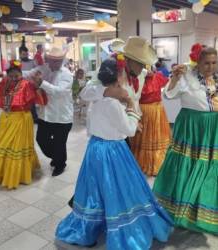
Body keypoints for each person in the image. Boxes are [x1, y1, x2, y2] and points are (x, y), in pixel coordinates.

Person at [55, 59, 173, 249]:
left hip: (95, 148)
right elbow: (129, 130)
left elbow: (89, 97)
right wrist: (133, 113)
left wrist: (123, 100)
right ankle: (118, 225)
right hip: (113, 150)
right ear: (119, 76)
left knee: (95, 188)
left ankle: (91, 225)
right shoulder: (111, 101)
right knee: (117, 188)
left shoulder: (97, 99)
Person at [153, 44, 218, 234]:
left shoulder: (216, 78)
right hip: (191, 126)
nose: (211, 67)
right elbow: (169, 94)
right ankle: (182, 206)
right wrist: (174, 77)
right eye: (207, 63)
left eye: (214, 63)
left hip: (213, 128)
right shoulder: (186, 75)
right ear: (198, 62)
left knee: (209, 167)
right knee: (188, 164)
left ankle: (203, 208)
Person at [0, 60, 47, 189]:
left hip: (21, 119)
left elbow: (40, 99)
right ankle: (3, 171)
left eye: (16, 76)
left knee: (17, 145)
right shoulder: (5, 82)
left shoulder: (26, 84)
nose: (13, 78)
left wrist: (38, 85)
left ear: (20, 74)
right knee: (4, 144)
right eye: (11, 76)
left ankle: (20, 174)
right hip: (6, 119)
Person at [24, 47, 74, 176]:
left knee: (59, 143)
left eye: (58, 61)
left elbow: (59, 92)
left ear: (62, 61)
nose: (55, 64)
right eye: (53, 61)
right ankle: (58, 157)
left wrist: (42, 83)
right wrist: (7, 73)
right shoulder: (43, 68)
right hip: (45, 115)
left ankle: (60, 164)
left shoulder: (67, 74)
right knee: (41, 140)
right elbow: (28, 74)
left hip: (62, 116)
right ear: (48, 60)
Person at [129, 70, 171, 176]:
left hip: (157, 111)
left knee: (157, 137)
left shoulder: (158, 76)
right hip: (144, 111)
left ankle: (159, 164)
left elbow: (168, 86)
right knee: (144, 138)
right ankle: (144, 164)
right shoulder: (136, 78)